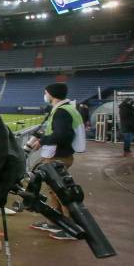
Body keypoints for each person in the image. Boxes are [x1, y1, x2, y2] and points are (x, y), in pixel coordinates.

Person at [27, 82, 86, 241]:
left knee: (61, 191)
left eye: (45, 92)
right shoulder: (67, 108)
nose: (45, 95)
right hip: (60, 155)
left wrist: (43, 140)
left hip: (57, 156)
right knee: (54, 190)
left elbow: (62, 135)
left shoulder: (61, 112)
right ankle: (58, 221)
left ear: (51, 94)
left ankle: (72, 227)